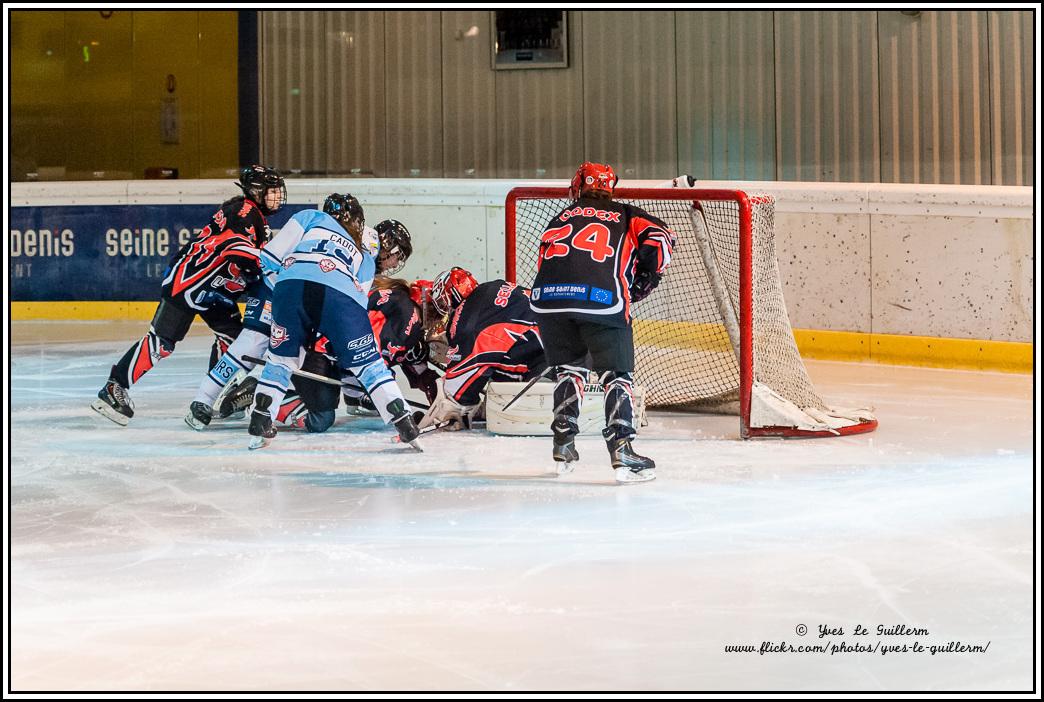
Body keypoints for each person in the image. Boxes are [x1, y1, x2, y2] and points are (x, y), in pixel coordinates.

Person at [90, 165, 286, 426]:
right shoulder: (244, 211)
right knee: (161, 342)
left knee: (236, 341)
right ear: (256, 191)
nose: (277, 196)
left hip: (216, 291)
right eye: (271, 191)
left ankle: (216, 391)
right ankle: (114, 389)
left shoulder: (255, 218)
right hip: (191, 282)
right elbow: (233, 246)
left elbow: (243, 263)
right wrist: (272, 264)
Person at [184, 216, 414, 430]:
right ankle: (206, 399)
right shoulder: (367, 246)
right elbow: (354, 309)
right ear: (388, 244)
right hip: (281, 288)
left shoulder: (360, 241)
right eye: (398, 255)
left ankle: (258, 395)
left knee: (285, 353)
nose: (396, 262)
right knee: (255, 341)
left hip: (291, 288)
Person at [529, 161, 675, 483]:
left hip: (547, 300)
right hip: (601, 301)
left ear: (579, 185)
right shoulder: (626, 214)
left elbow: (544, 258)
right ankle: (622, 447)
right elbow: (662, 238)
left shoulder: (560, 217)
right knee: (617, 375)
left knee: (570, 370)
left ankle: (563, 441)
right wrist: (647, 279)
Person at [244, 193, 421, 450]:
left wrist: (283, 291)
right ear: (357, 221)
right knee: (369, 365)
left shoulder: (309, 217)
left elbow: (269, 258)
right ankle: (403, 420)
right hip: (338, 295)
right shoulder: (362, 248)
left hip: (289, 287)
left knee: (280, 360)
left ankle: (261, 418)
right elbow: (359, 299)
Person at [421, 267, 546, 431]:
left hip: (541, 359)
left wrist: (452, 409)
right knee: (500, 356)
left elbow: (460, 380)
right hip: (565, 345)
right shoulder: (494, 287)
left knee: (470, 384)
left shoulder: (466, 316)